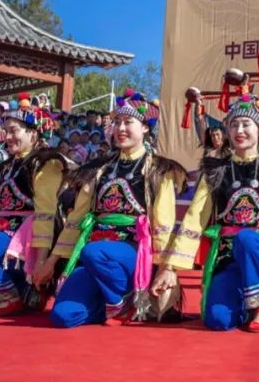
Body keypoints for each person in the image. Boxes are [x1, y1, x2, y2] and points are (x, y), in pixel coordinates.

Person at [171, 93, 259, 332]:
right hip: (227, 256)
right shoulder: (215, 171)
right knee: (218, 320)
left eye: (246, 124)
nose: (240, 130)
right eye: (234, 124)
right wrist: (171, 267)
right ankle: (245, 299)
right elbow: (195, 217)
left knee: (246, 238)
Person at [45, 101, 188, 327]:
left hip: (132, 253)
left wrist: (165, 268)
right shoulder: (98, 169)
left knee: (95, 251)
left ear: (145, 128)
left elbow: (164, 222)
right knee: (63, 315)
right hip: (95, 254)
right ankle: (112, 303)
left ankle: (124, 297)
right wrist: (52, 260)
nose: (121, 129)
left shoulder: (158, 170)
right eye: (117, 123)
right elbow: (76, 218)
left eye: (128, 122)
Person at [0, 103, 70, 316]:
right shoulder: (6, 166)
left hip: (29, 240)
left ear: (33, 134)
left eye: (14, 131)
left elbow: (46, 213)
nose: (8, 137)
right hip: (5, 239)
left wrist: (42, 260)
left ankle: (11, 294)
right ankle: (14, 289)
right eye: (6, 132)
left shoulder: (45, 163)